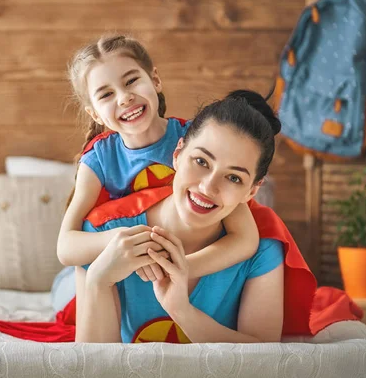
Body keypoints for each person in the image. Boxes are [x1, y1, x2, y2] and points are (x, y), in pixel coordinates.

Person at [76, 90, 285, 343]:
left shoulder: (263, 252)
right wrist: (98, 280)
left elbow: (267, 360)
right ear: (177, 153)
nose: (208, 187)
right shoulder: (102, 233)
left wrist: (181, 311)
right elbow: (94, 366)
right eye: (201, 161)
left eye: (233, 178)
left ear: (251, 190)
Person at [57, 34, 259, 288]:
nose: (124, 97)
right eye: (106, 94)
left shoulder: (195, 142)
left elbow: (245, 238)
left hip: (192, 266)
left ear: (155, 80)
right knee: (74, 283)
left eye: (131, 81)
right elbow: (66, 247)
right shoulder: (98, 160)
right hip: (131, 273)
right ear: (95, 113)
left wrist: (182, 267)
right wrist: (125, 238)